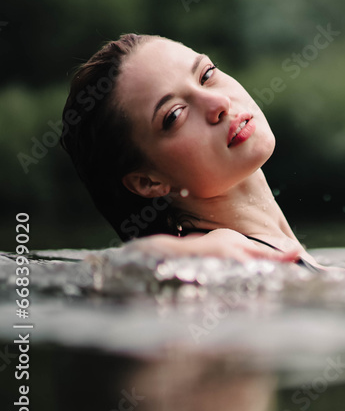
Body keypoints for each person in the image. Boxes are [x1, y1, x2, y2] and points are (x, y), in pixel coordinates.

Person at [60, 32, 330, 272]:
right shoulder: (219, 252)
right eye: (175, 115)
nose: (219, 103)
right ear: (149, 181)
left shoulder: (271, 251)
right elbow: (119, 268)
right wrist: (175, 254)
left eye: (207, 75)